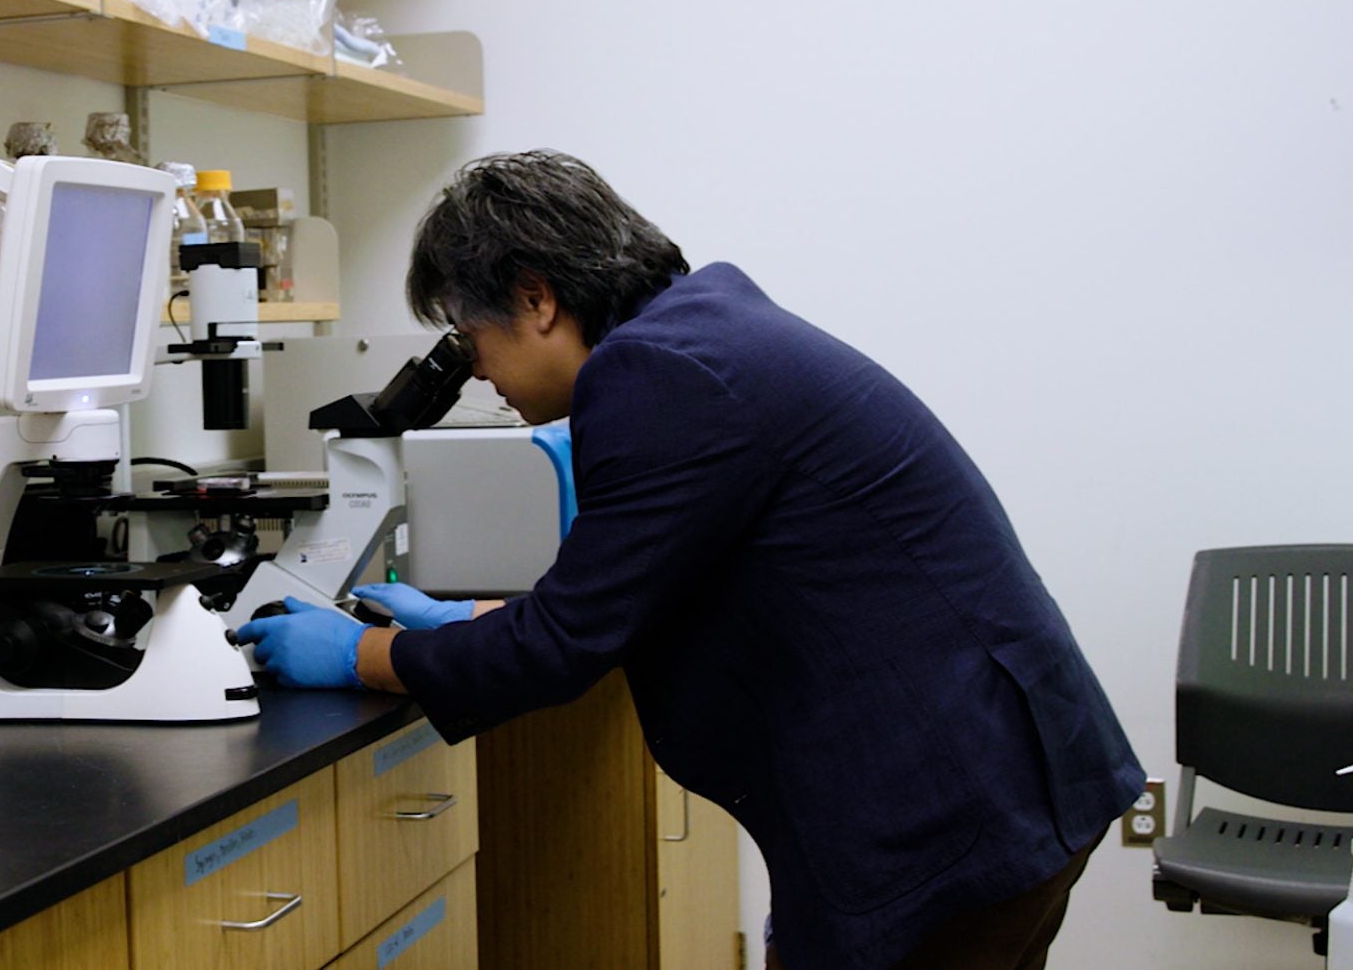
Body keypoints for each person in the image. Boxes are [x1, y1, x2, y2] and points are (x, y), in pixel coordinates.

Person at [236, 150, 1144, 970]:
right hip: (1011, 773)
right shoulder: (703, 329)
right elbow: (640, 587)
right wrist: (467, 623)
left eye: (473, 342)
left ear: (535, 297)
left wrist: (358, 654)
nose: (477, 376)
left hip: (945, 818)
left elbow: (561, 643)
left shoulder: (656, 377)